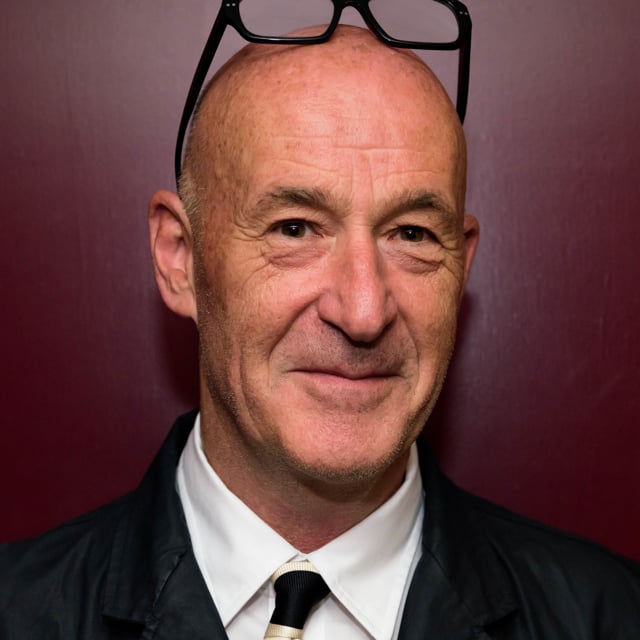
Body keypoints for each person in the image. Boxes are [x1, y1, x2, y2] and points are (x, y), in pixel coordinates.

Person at [1, 24, 639, 640]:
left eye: (412, 234)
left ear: (461, 267)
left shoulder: (613, 616)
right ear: (180, 259)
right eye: (295, 228)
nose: (363, 311)